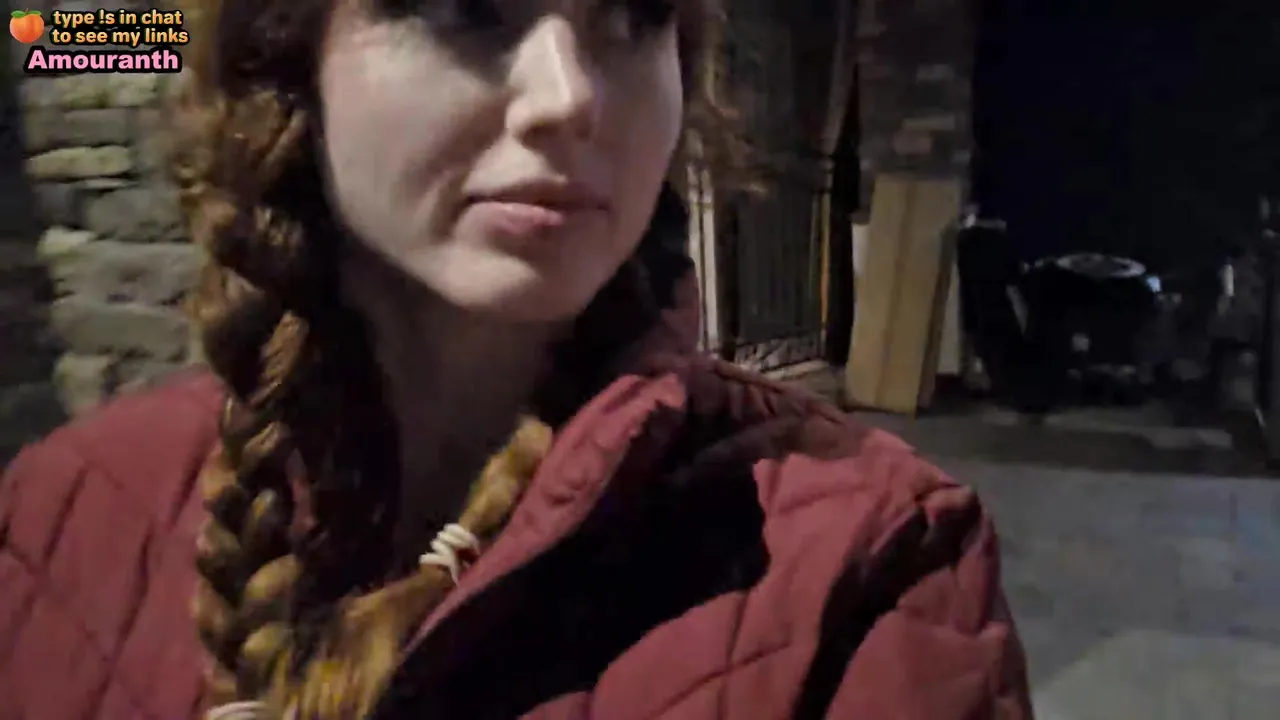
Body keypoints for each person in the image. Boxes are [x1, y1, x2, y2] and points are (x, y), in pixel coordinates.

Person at [0, 0, 1033, 718]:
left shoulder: (876, 563)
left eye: (634, 15)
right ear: (289, 62)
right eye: (465, 9)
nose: (567, 96)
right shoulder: (57, 518)